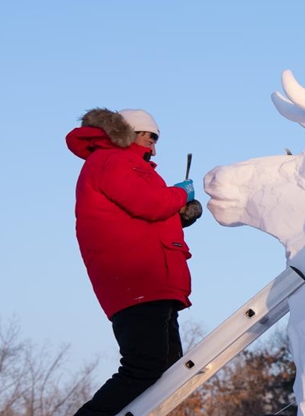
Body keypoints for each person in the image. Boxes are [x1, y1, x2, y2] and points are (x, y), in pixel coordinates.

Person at [65, 108, 202, 415]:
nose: (153, 148)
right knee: (145, 368)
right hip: (138, 278)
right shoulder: (112, 160)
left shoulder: (125, 166)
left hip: (151, 280)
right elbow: (150, 204)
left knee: (167, 373)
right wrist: (179, 196)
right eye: (150, 138)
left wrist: (179, 216)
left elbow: (141, 217)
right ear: (130, 133)